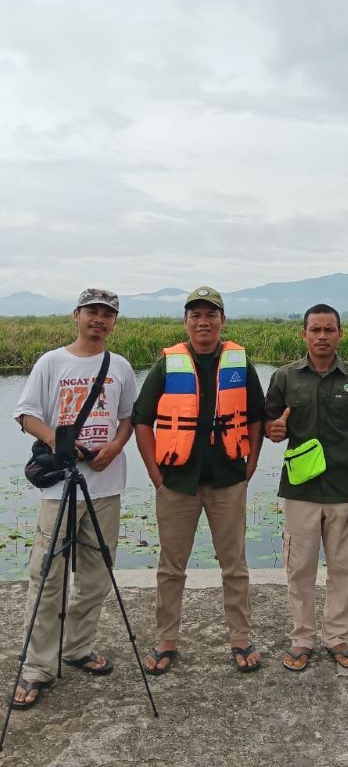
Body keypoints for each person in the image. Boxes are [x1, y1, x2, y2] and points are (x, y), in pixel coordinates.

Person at [12, 288, 137, 710]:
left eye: (107, 314)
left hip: (107, 486)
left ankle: (78, 647)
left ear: (114, 322)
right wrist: (61, 443)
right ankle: (36, 667)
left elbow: (127, 418)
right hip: (58, 488)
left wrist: (115, 448)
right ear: (76, 315)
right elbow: (27, 414)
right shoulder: (51, 362)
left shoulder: (119, 366)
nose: (98, 320)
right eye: (92, 312)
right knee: (47, 577)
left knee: (96, 575)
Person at [134, 286, 264, 674]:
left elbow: (256, 416)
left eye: (211, 314)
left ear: (222, 321)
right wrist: (155, 475)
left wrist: (250, 465)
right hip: (176, 481)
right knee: (171, 566)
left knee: (235, 564)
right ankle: (166, 640)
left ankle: (240, 638)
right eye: (196, 315)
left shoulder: (240, 363)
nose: (203, 321)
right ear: (186, 321)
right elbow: (142, 420)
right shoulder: (166, 365)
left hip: (227, 478)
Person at [264, 303, 348, 671]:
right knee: (299, 568)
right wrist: (274, 431)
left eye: (329, 330)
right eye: (316, 330)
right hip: (300, 492)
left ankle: (338, 638)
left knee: (344, 568)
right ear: (304, 334)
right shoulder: (284, 377)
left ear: (340, 334)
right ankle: (302, 639)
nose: (322, 337)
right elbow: (269, 425)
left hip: (346, 490)